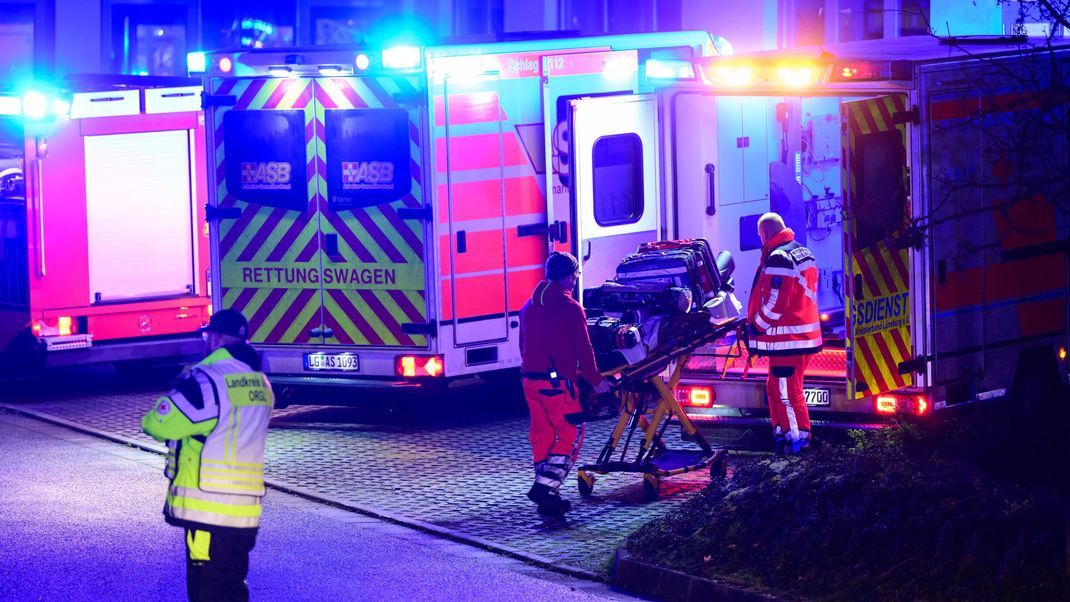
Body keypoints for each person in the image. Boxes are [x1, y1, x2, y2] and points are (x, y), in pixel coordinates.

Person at [142, 309, 274, 601]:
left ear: (214, 338)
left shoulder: (208, 380)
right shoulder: (261, 383)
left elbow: (156, 424)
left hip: (210, 511)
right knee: (231, 589)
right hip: (245, 513)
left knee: (208, 592)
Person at [519, 251, 611, 516]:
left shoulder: (529, 306)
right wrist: (597, 381)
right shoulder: (571, 308)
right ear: (569, 277)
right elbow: (585, 349)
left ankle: (549, 496)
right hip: (557, 383)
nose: (575, 280)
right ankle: (544, 488)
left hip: (530, 380)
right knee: (572, 433)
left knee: (542, 435)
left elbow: (522, 343)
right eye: (575, 275)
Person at [747, 213, 822, 455]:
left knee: (787, 394)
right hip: (800, 337)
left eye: (760, 236)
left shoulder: (779, 258)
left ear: (765, 233)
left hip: (787, 342)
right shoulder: (802, 251)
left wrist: (755, 327)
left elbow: (775, 305)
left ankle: (796, 445)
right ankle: (783, 435)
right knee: (775, 389)